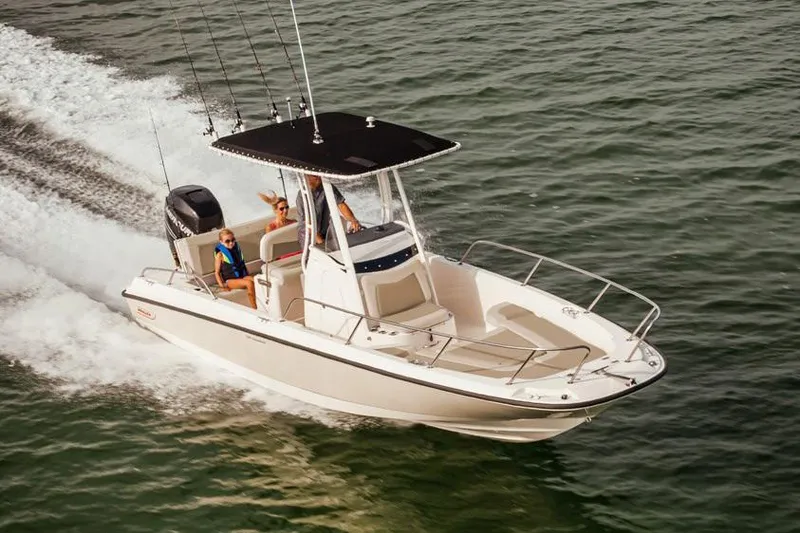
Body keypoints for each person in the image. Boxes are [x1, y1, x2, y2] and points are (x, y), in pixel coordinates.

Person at [295, 174, 361, 248]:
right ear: (307, 177)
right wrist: (320, 242)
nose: (319, 176)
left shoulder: (328, 187)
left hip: (324, 229)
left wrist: (353, 220)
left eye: (319, 174)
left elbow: (341, 205)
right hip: (308, 233)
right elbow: (307, 223)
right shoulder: (301, 196)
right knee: (316, 255)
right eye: (315, 176)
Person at [213, 229, 256, 309]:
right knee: (249, 283)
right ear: (221, 242)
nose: (231, 243)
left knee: (257, 280)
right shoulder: (220, 255)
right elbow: (217, 272)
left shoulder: (236, 249)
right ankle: (254, 308)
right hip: (230, 281)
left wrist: (248, 275)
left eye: (233, 240)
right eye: (227, 241)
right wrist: (222, 286)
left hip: (241, 277)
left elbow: (242, 265)